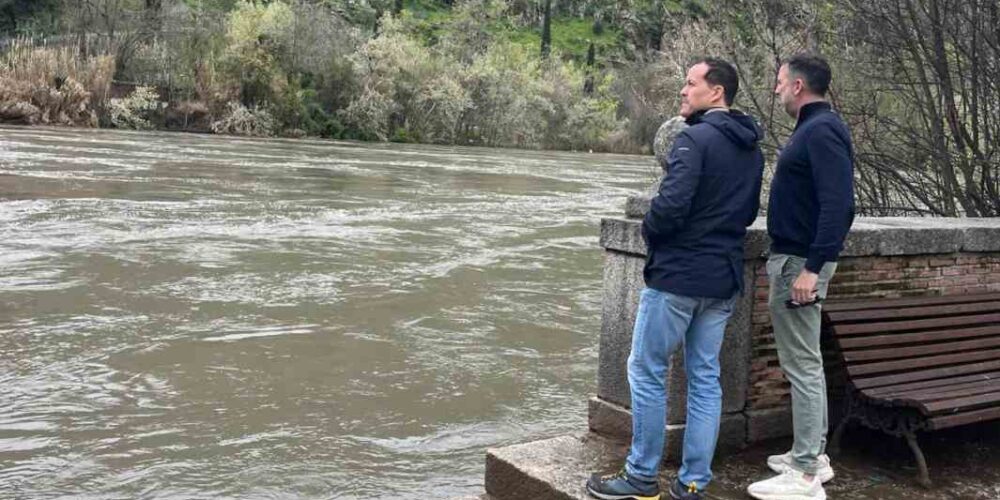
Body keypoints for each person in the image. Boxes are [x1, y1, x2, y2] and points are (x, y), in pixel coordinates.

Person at [586, 58, 765, 500]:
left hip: (679, 278)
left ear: (716, 91)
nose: (683, 91)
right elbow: (745, 214)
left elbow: (668, 208)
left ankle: (642, 476)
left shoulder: (693, 140)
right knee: (705, 378)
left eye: (690, 83)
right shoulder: (752, 148)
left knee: (645, 370)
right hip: (722, 278)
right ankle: (692, 484)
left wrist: (650, 230)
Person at [747, 53, 855, 500]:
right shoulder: (815, 127)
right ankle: (809, 456)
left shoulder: (823, 130)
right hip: (795, 259)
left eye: (778, 81)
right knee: (803, 361)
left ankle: (807, 474)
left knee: (803, 365)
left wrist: (812, 268)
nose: (774, 89)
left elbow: (839, 205)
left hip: (799, 263)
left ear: (797, 86)